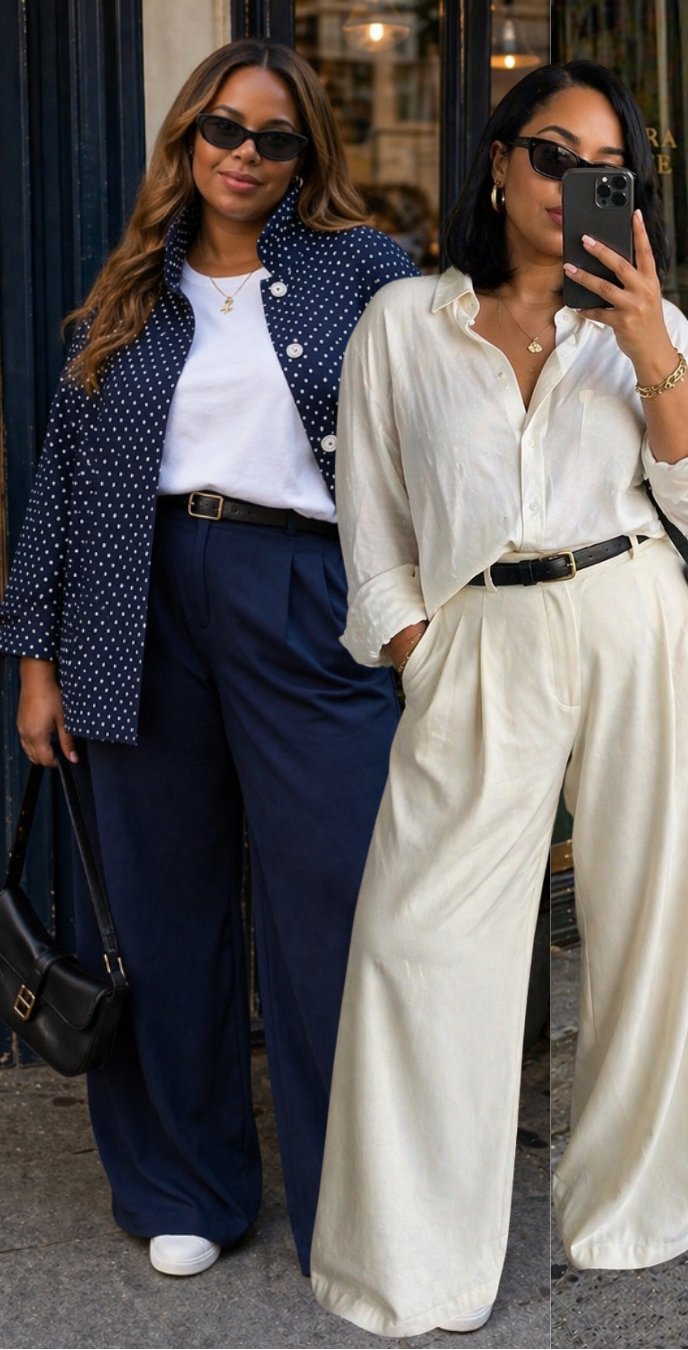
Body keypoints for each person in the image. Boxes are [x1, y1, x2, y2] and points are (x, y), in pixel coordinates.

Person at [308, 60, 688, 1337]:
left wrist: (647, 336)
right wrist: (417, 648)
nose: (571, 186)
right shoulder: (405, 321)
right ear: (499, 164)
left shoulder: (652, 326)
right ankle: (409, 1260)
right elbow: (374, 525)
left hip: (637, 619)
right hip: (480, 636)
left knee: (650, 928)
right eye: (550, 155)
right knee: (422, 941)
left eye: (604, 166)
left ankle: (628, 1214)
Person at [0, 39, 417, 1278]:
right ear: (186, 140)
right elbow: (62, 484)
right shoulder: (125, 296)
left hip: (307, 591)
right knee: (162, 909)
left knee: (336, 905)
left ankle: (368, 1197)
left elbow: (437, 432)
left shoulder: (368, 272)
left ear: (305, 159)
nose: (245, 154)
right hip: (137, 601)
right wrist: (36, 659)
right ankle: (186, 1181)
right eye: (224, 130)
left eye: (273, 137)